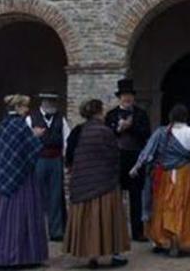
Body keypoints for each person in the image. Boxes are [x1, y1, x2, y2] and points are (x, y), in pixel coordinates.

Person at [0, 94, 49, 267]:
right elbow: (31, 149)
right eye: (25, 107)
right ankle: (20, 255)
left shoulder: (3, 125)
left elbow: (2, 150)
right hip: (22, 179)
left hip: (1, 177)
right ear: (19, 108)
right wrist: (36, 136)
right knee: (20, 215)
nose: (27, 110)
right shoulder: (20, 126)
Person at [128, 103, 190, 256]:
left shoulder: (160, 132)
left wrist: (136, 167)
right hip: (183, 173)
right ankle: (177, 240)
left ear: (171, 117)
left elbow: (147, 150)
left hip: (163, 174)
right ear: (186, 117)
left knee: (161, 205)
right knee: (180, 206)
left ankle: (162, 239)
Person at [65, 98, 131, 269]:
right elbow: (114, 155)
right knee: (108, 218)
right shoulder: (106, 131)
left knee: (88, 219)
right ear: (98, 112)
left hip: (83, 181)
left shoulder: (78, 131)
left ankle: (91, 256)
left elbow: (69, 155)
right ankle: (115, 255)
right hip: (105, 183)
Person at [105, 79, 151, 242]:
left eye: (130, 95)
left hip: (135, 157)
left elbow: (146, 134)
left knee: (136, 195)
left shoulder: (141, 114)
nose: (127, 98)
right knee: (115, 195)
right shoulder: (111, 115)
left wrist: (131, 127)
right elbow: (107, 136)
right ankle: (115, 230)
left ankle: (137, 232)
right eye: (124, 96)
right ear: (120, 97)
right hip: (117, 158)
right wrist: (119, 129)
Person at [27, 92, 71, 241]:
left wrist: (65, 159)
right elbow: (25, 140)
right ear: (43, 102)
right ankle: (35, 230)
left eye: (54, 101)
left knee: (56, 195)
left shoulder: (60, 119)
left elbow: (67, 139)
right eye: (49, 101)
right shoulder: (30, 118)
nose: (52, 104)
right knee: (36, 195)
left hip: (56, 159)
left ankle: (56, 230)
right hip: (38, 159)